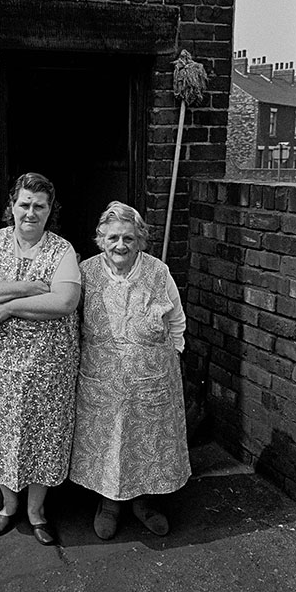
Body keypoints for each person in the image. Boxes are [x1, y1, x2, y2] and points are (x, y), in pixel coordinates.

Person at [0, 172, 81, 546]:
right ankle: (8, 506)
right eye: (24, 204)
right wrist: (30, 288)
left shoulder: (61, 250)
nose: (31, 212)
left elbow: (63, 302)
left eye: (40, 206)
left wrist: (8, 305)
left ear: (50, 211)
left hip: (48, 365)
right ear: (12, 206)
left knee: (44, 433)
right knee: (1, 430)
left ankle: (36, 512)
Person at [69, 201, 191, 540]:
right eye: (113, 238)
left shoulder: (157, 272)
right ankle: (108, 504)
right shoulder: (86, 273)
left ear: (140, 240)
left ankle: (145, 503)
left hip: (151, 380)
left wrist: (172, 356)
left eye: (128, 238)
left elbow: (176, 320)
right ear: (100, 239)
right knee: (108, 443)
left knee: (147, 442)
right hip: (101, 380)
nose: (120, 245)